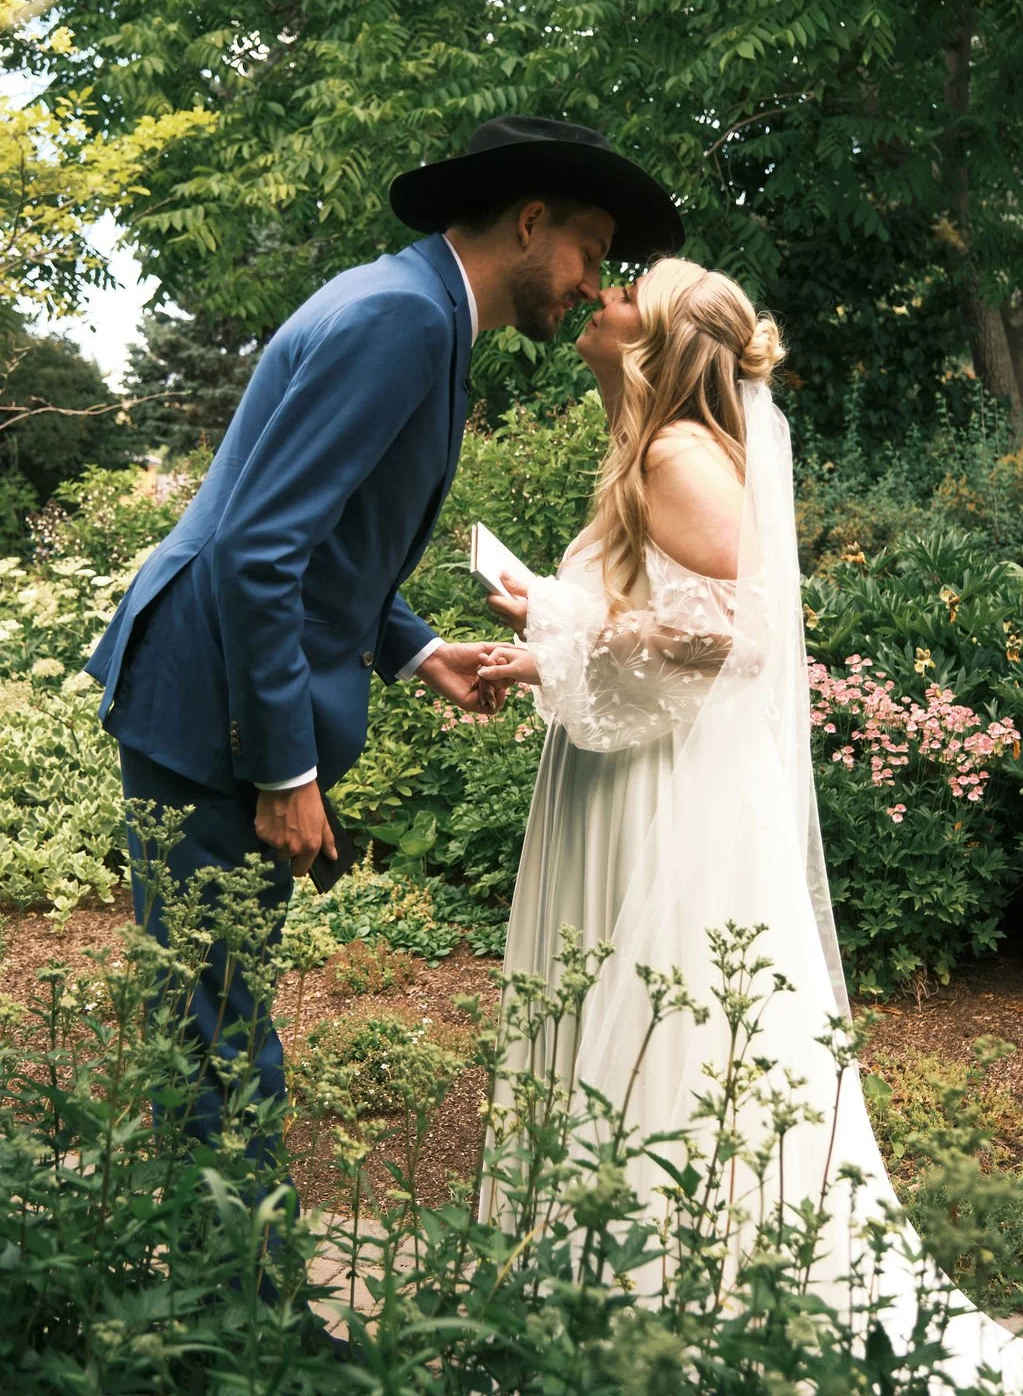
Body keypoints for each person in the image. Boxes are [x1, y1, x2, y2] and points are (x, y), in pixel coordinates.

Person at [84, 118, 684, 1204]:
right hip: (208, 709)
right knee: (217, 1033)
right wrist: (284, 770)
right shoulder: (403, 321)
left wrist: (410, 650)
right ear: (530, 223)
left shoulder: (414, 309)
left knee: (212, 1016)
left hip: (203, 686)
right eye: (591, 254)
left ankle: (222, 1312)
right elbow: (257, 549)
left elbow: (319, 536)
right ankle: (248, 1337)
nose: (595, 288)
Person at [475, 258, 1023, 1390]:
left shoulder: (677, 454)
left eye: (625, 288)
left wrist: (578, 629)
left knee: (667, 1022)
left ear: (658, 336)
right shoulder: (651, 447)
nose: (599, 297)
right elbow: (655, 615)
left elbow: (737, 635)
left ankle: (682, 1298)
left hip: (668, 793)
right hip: (632, 769)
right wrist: (551, 627)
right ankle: (616, 1291)